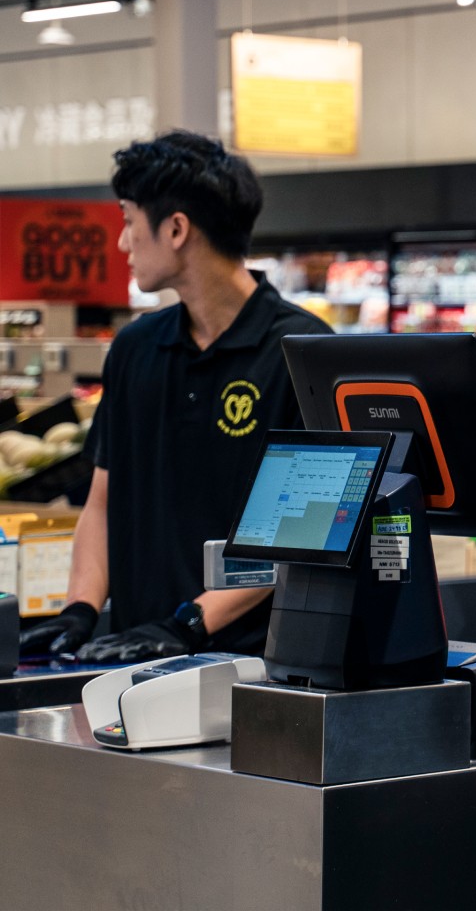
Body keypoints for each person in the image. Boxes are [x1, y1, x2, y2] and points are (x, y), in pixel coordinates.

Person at [19, 131, 332, 664]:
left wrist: (190, 624)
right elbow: (102, 501)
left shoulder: (304, 352)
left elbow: (304, 531)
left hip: (258, 669)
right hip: (130, 655)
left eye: (128, 221)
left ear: (176, 228)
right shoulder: (134, 349)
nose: (122, 243)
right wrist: (80, 609)